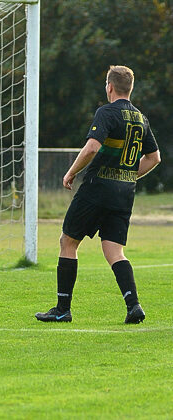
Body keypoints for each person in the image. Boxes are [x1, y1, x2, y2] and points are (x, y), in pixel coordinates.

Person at [35, 65, 160, 324]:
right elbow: (154, 158)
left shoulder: (106, 112)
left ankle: (62, 308)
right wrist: (128, 174)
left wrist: (70, 173)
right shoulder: (141, 118)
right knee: (114, 250)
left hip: (98, 187)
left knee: (68, 241)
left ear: (110, 87)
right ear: (131, 88)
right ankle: (133, 305)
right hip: (124, 192)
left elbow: (92, 147)